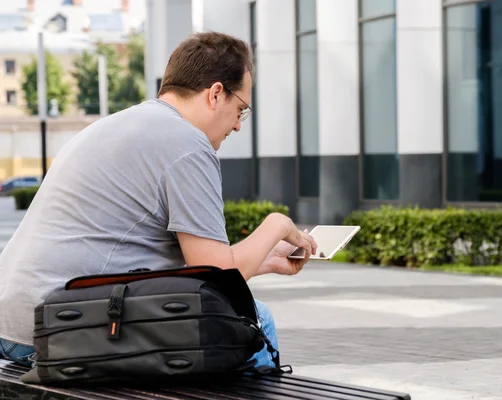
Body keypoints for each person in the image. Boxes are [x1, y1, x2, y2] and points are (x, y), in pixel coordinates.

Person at [0, 32, 317, 369]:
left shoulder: (118, 125)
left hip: (16, 321)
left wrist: (263, 259)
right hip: (57, 329)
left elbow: (185, 266)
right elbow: (217, 277)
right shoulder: (187, 144)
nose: (238, 126)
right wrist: (276, 225)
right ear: (215, 94)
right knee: (254, 320)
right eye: (240, 109)